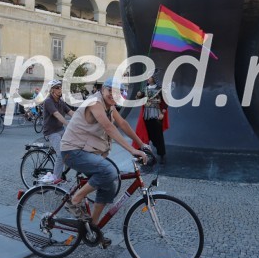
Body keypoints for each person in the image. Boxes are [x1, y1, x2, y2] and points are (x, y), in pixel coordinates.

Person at [61, 77, 149, 227]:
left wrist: (141, 144)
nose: (113, 95)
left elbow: (123, 123)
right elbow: (108, 127)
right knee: (109, 171)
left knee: (109, 185)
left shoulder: (110, 106)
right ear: (103, 90)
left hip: (87, 151)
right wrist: (132, 150)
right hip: (72, 150)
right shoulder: (95, 102)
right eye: (110, 91)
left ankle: (93, 227)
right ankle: (74, 200)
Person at [38, 79, 74, 182]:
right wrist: (69, 124)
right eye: (57, 88)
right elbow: (57, 115)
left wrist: (82, 119)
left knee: (71, 148)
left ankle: (62, 172)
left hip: (60, 129)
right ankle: (56, 180)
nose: (60, 89)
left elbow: (71, 112)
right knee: (61, 155)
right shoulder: (48, 101)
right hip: (51, 132)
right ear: (52, 90)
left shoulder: (60, 102)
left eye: (61, 87)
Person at [134, 74, 168, 164]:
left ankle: (162, 154)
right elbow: (138, 98)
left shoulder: (159, 89)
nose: (148, 78)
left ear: (154, 78)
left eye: (149, 77)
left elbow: (165, 101)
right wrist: (138, 95)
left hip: (156, 114)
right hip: (146, 114)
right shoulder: (145, 88)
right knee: (146, 135)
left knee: (158, 136)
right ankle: (146, 154)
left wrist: (162, 113)